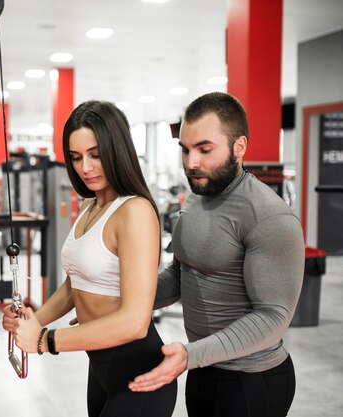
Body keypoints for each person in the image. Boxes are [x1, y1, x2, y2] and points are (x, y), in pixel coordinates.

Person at [128, 92, 305, 417]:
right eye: (185, 150)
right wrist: (120, 304)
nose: (191, 162)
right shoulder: (198, 195)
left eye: (205, 150)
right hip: (204, 371)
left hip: (252, 382)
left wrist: (191, 354)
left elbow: (273, 317)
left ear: (239, 147)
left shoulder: (268, 216)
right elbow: (181, 275)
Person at [2, 100, 177, 417]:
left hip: (138, 373)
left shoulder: (134, 211)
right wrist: (33, 321)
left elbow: (136, 323)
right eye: (76, 157)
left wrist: (46, 340)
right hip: (100, 367)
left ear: (117, 149)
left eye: (95, 155)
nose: (85, 168)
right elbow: (74, 286)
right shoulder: (89, 207)